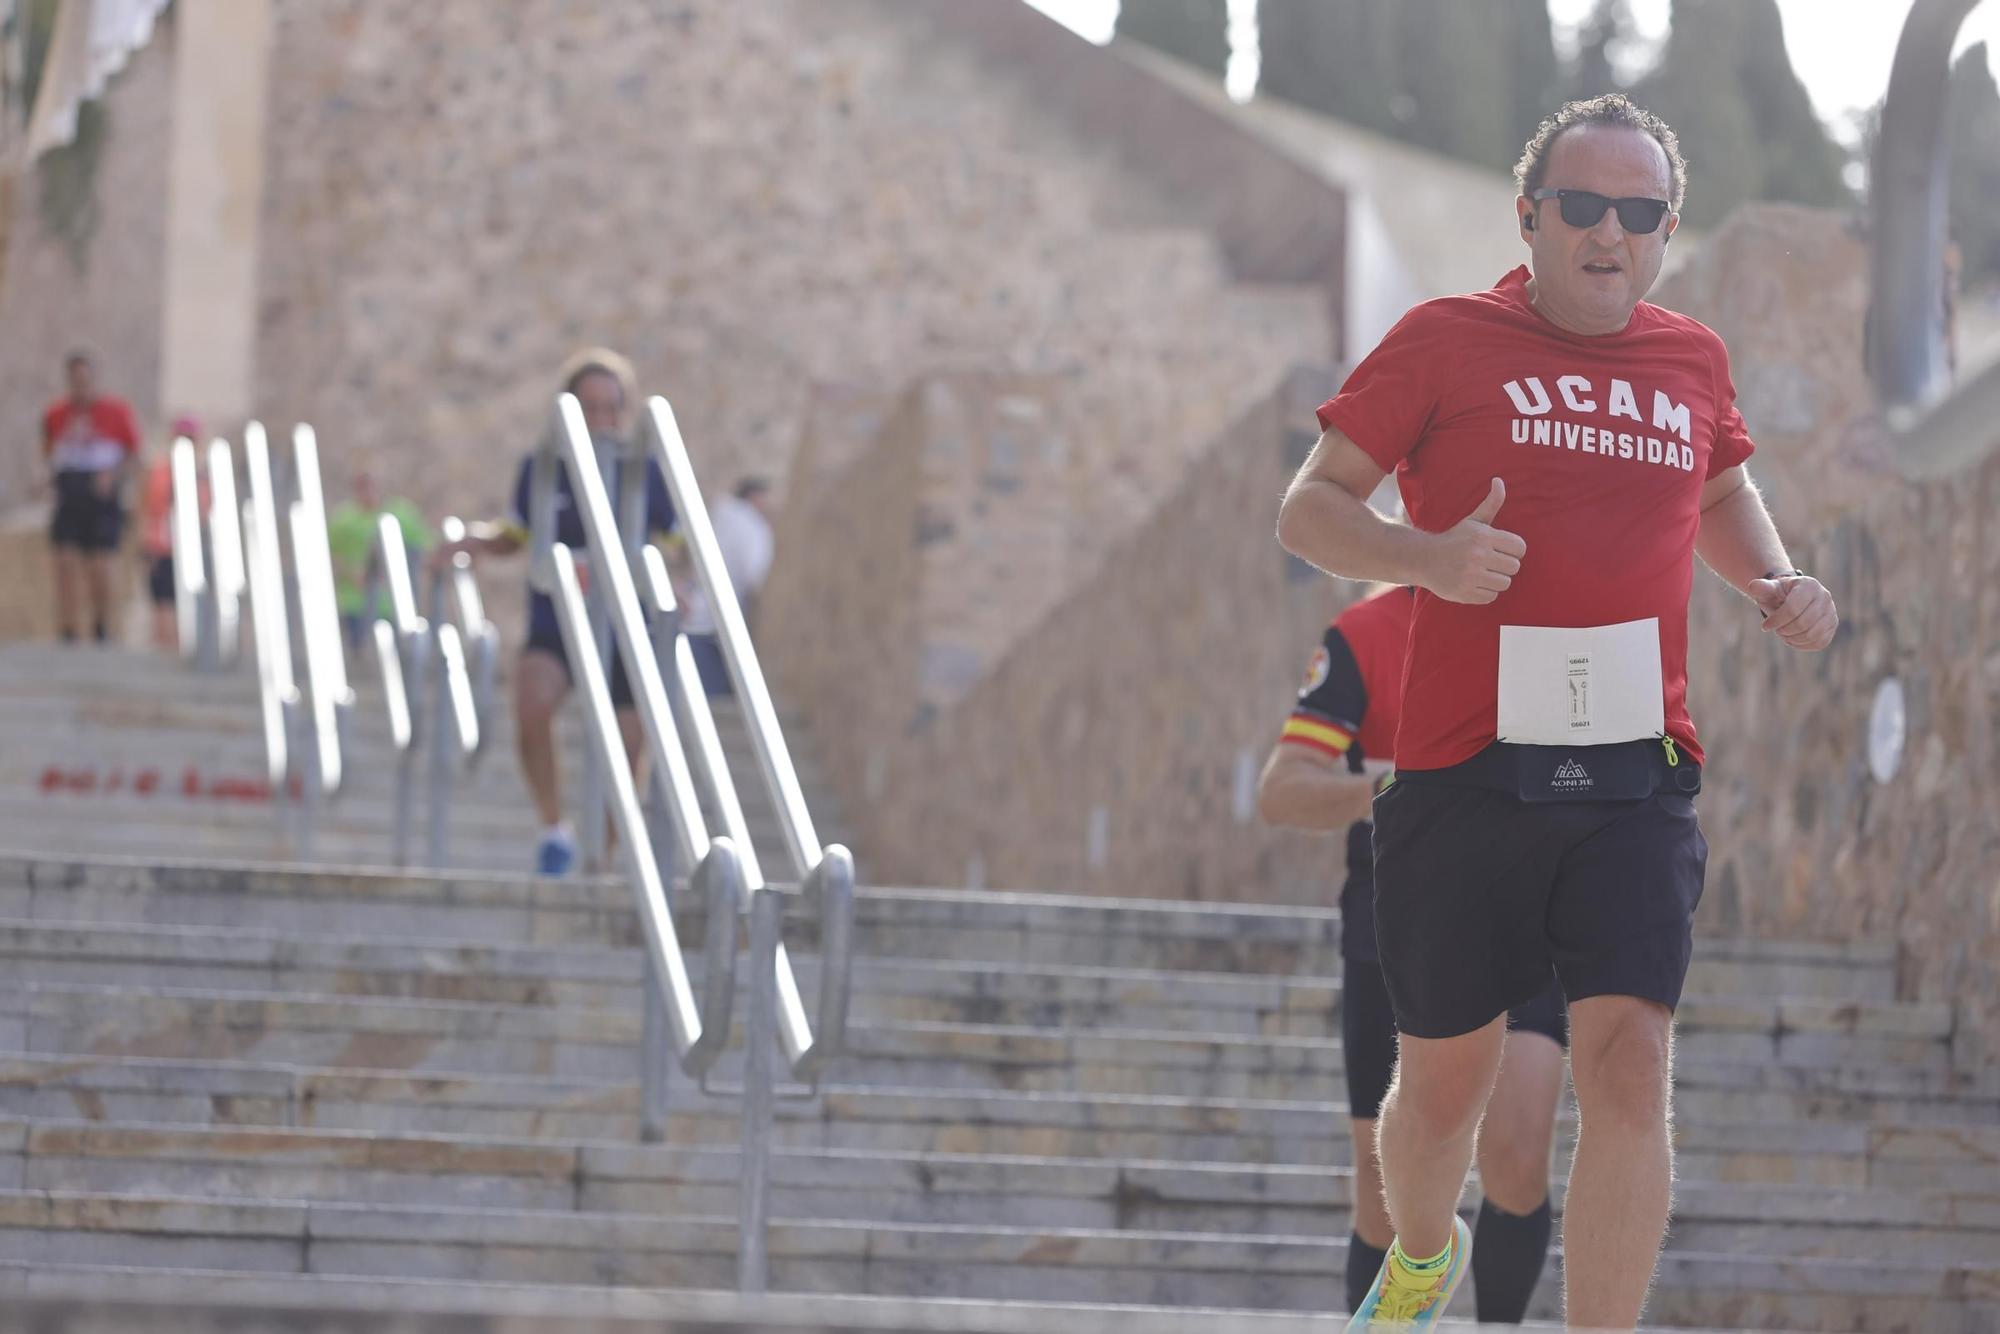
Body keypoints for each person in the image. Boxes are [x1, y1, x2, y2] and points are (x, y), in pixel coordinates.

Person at [1275, 94, 1838, 1331]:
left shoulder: (1689, 357)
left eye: (1637, 216)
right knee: (1436, 1095)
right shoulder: (1441, 339)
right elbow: (1307, 509)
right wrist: (1421, 558)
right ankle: (1424, 1250)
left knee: (1629, 1061)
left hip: (1634, 767)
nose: (1607, 234)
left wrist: (1775, 579)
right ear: (1528, 216)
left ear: (1664, 232)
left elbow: (1724, 488)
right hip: (1461, 772)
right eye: (1580, 207)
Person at [1256, 584, 1566, 1326]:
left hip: (1521, 906)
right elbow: (1283, 790)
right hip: (1391, 915)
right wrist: (1406, 786)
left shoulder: (1552, 615)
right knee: (1380, 1188)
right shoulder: (1366, 631)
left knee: (1519, 1152)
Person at [433, 349, 674, 876]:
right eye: (589, 408)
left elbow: (677, 543)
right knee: (533, 702)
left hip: (626, 624)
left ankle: (606, 856)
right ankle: (554, 828)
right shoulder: (542, 470)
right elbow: (517, 534)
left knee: (631, 745)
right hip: (557, 619)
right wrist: (475, 541)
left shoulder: (645, 473)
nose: (602, 420)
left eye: (611, 409)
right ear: (567, 411)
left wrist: (684, 581)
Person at [42, 351, 141, 644]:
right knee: (65, 561)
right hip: (69, 490)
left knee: (101, 564)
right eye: (75, 380)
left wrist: (114, 476)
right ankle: (68, 628)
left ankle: (101, 625)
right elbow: (47, 453)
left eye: (85, 379)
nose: (80, 385)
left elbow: (134, 455)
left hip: (102, 494)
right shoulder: (56, 414)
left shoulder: (116, 411)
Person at [680, 475, 774, 695]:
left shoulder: (718, 514)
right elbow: (753, 573)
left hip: (698, 594)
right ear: (755, 497)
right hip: (726, 602)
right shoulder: (754, 527)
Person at [327, 466, 433, 650]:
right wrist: (352, 573)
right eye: (362, 486)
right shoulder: (343, 519)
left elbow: (423, 547)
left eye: (371, 485)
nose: (368, 491)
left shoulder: (401, 514)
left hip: (393, 602)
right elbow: (330, 554)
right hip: (355, 601)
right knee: (363, 649)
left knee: (397, 651)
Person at [135, 415, 203, 652]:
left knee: (185, 605)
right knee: (162, 604)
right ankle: (165, 651)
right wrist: (145, 544)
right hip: (161, 546)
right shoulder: (158, 473)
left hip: (191, 549)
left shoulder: (203, 477)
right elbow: (146, 509)